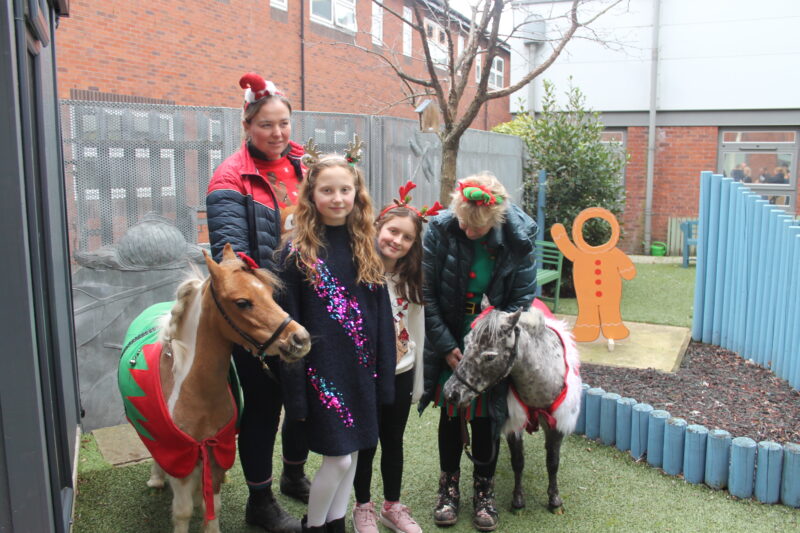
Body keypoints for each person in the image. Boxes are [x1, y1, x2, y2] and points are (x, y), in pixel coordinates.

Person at [206, 72, 310, 533]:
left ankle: (292, 472)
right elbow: (232, 259)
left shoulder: (305, 164)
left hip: (308, 299)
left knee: (303, 396)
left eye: (284, 123)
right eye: (267, 125)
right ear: (247, 125)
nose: (278, 134)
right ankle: (260, 501)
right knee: (266, 404)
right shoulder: (230, 178)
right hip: (263, 315)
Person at [276, 147, 397, 533]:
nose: (337, 198)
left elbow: (382, 321)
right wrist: (295, 394)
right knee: (338, 460)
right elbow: (288, 332)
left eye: (345, 190)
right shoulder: (297, 253)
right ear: (311, 195)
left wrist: (385, 378)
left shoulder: (367, 245)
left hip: (362, 373)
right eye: (327, 190)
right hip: (321, 376)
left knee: (358, 456)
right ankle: (314, 526)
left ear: (356, 193)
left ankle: (335, 525)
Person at [418, 172, 538, 532]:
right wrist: (447, 347)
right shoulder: (440, 229)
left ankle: (484, 489)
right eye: (463, 223)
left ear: (497, 220)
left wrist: (490, 343)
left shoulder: (520, 238)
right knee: (452, 412)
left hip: (491, 341)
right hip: (451, 334)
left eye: (477, 228)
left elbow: (521, 299)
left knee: (487, 416)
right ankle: (448, 487)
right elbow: (428, 295)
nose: (468, 231)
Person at [351, 182, 443, 533]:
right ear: (377, 228)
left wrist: (418, 383)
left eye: (406, 238)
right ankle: (363, 507)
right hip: (365, 376)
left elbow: (417, 333)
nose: (397, 241)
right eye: (392, 231)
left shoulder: (411, 281)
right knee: (366, 443)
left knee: (393, 440)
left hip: (401, 372)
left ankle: (392, 505)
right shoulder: (358, 274)